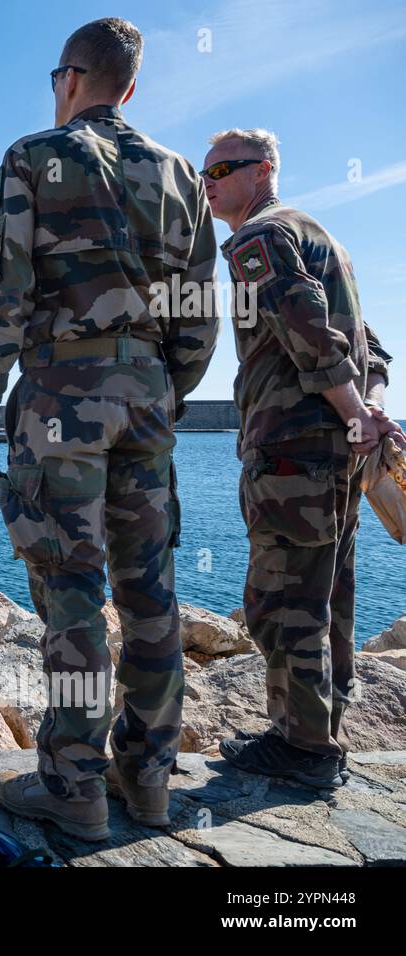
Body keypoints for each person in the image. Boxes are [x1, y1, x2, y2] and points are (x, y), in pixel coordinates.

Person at [0, 18, 219, 840]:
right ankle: (148, 781)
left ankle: (74, 787)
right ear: (130, 87)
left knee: (72, 594)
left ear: (70, 77)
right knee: (152, 595)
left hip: (59, 398)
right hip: (147, 396)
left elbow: (8, 281)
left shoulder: (33, 156)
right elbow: (201, 312)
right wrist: (161, 389)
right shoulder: (182, 174)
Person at [202, 128, 403, 788]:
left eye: (222, 168)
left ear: (263, 171)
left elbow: (307, 328)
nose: (209, 181)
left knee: (278, 599)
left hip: (294, 449)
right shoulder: (327, 241)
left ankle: (306, 750)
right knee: (327, 596)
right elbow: (369, 348)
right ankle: (312, 734)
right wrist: (369, 411)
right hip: (338, 457)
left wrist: (354, 415)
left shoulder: (257, 238)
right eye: (206, 171)